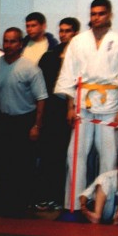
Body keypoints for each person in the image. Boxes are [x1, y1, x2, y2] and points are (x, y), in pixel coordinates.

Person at [55, 0, 118, 210]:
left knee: (108, 157)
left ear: (109, 15)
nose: (96, 17)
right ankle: (73, 205)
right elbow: (68, 74)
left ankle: (105, 207)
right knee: (75, 154)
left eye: (101, 13)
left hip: (110, 104)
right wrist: (70, 107)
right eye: (93, 14)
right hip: (82, 103)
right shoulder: (78, 41)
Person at [0, 27, 48, 217]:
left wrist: (37, 126)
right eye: (6, 41)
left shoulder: (30, 68)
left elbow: (42, 98)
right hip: (4, 120)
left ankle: (22, 206)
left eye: (13, 41)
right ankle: (4, 204)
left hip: (25, 121)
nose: (8, 45)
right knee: (2, 163)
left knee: (23, 165)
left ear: (20, 44)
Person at [34, 17, 80, 211]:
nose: (63, 34)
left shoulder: (80, 56)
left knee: (65, 156)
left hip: (71, 111)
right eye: (61, 30)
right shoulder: (49, 56)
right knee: (47, 155)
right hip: (50, 111)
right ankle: (44, 196)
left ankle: (61, 198)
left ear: (76, 33)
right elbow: (40, 86)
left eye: (68, 31)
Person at [79, 152, 118, 224]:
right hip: (104, 211)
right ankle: (96, 216)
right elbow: (86, 193)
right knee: (103, 180)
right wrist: (83, 206)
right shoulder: (107, 176)